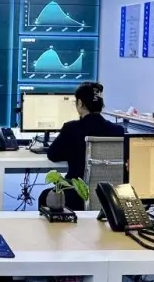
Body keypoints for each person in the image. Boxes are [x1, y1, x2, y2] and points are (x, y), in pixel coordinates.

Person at [43, 82, 124, 210]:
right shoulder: (118, 130)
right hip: (109, 195)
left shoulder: (71, 128)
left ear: (80, 103)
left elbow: (53, 155)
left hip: (77, 193)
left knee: (45, 196)